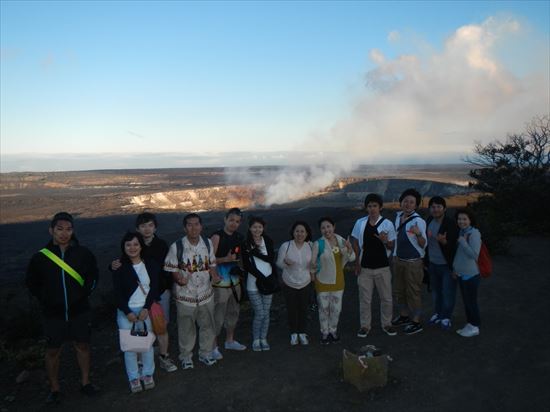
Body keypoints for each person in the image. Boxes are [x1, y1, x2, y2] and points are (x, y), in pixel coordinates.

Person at [26, 212, 100, 404]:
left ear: (73, 231)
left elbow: (93, 275)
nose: (64, 233)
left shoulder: (83, 254)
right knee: (52, 350)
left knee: (82, 345)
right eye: (59, 229)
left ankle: (85, 382)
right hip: (53, 313)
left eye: (68, 229)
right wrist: (46, 299)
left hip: (79, 310)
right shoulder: (40, 258)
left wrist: (85, 293)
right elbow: (32, 283)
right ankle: (55, 388)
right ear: (51, 230)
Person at [110, 212, 177, 372]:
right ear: (137, 228)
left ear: (155, 227)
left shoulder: (161, 245)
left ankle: (163, 356)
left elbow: (167, 268)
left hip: (159, 293)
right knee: (139, 328)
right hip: (140, 297)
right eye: (143, 226)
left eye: (150, 225)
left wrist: (168, 286)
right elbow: (123, 265)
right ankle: (141, 360)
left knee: (161, 326)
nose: (147, 229)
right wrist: (111, 266)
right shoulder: (133, 244)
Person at [164, 213, 220, 369]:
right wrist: (178, 279)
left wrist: (214, 275)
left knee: (207, 325)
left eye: (196, 224)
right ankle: (186, 357)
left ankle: (205, 353)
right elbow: (172, 268)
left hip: (205, 294)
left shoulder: (208, 244)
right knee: (185, 327)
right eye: (189, 224)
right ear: (184, 227)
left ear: (201, 226)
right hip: (185, 296)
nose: (193, 228)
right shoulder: (177, 247)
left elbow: (212, 263)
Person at [113, 231, 159, 393]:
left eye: (135, 244)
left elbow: (154, 288)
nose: (132, 248)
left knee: (146, 345)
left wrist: (146, 307)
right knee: (130, 348)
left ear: (141, 246)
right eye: (128, 244)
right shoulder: (119, 266)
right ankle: (133, 377)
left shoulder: (150, 264)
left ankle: (147, 374)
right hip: (127, 313)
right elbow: (116, 293)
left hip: (145, 310)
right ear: (123, 247)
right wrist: (127, 311)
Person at [351, 194, 397, 338]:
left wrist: (385, 241)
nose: (372, 209)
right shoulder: (360, 223)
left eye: (375, 206)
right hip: (365, 267)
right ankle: (365, 326)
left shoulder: (387, 224)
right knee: (365, 299)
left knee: (386, 298)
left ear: (380, 207)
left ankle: (387, 324)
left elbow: (392, 245)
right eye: (369, 206)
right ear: (366, 208)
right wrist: (357, 263)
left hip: (382, 267)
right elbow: (356, 243)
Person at [311, 217, 355, 344]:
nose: (326, 230)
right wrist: (313, 276)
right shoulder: (318, 244)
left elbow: (352, 258)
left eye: (328, 226)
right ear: (320, 230)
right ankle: (325, 333)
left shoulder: (341, 241)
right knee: (323, 309)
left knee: (336, 309)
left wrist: (349, 248)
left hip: (338, 281)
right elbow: (313, 263)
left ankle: (333, 331)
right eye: (323, 228)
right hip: (322, 282)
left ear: (333, 227)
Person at [210, 208, 247, 359]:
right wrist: (223, 262)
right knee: (218, 315)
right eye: (231, 220)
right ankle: (213, 347)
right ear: (225, 219)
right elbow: (209, 259)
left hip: (234, 281)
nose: (234, 223)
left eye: (237, 221)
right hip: (219, 283)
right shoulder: (217, 236)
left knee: (233, 312)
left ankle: (229, 340)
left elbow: (239, 258)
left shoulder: (239, 237)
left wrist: (242, 272)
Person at [391, 188, 427, 335]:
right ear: (401, 202)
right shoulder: (398, 216)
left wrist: (418, 233)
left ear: (416, 205)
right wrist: (394, 255)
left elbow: (423, 243)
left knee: (413, 292)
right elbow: (397, 239)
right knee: (400, 291)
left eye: (412, 202)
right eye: (405, 201)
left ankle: (416, 322)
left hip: (413, 262)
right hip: (399, 260)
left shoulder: (419, 221)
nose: (408, 204)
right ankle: (405, 316)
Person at [241, 216, 277, 351]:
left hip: (268, 283)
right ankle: (256, 339)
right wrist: (261, 277)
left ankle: (263, 338)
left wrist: (256, 253)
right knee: (260, 313)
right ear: (250, 228)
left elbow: (270, 259)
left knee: (266, 313)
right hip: (253, 284)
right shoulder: (245, 244)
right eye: (254, 227)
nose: (257, 229)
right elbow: (247, 266)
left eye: (260, 227)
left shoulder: (267, 241)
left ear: (263, 228)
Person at [276, 221, 314, 345]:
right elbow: (278, 263)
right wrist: (285, 263)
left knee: (303, 308)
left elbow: (315, 263)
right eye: (297, 231)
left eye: (302, 231)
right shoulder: (285, 246)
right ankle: (293, 333)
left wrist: (314, 268)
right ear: (293, 232)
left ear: (307, 233)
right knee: (291, 308)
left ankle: (302, 333)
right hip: (289, 282)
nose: (299, 234)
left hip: (305, 282)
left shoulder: (310, 246)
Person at [425, 197, 459, 330]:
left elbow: (455, 247)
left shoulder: (450, 224)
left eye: (438, 206)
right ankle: (438, 314)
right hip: (433, 264)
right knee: (436, 292)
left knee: (448, 292)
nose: (435, 209)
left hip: (447, 266)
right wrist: (425, 261)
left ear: (444, 209)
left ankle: (446, 317)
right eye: (433, 207)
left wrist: (444, 242)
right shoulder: (428, 221)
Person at [453, 208, 482, 337]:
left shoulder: (474, 233)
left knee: (471, 302)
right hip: (462, 274)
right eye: (459, 219)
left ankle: (474, 326)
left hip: (470, 275)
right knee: (467, 301)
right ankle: (470, 324)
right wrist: (455, 269)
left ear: (470, 220)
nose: (461, 221)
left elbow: (474, 255)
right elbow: (460, 255)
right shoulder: (463, 231)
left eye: (465, 219)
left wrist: (463, 241)